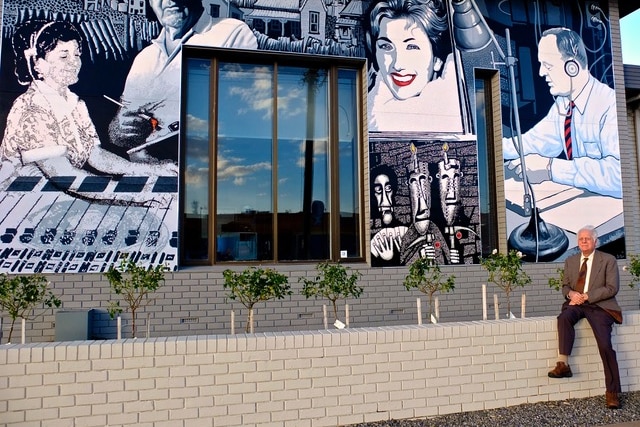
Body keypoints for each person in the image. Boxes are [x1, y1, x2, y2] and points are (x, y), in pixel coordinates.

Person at [0, 20, 176, 179]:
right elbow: (62, 175)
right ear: (38, 64)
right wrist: (121, 192)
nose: (74, 62)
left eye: (76, 54)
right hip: (19, 201)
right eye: (64, 56)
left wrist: (151, 170)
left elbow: (96, 156)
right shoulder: (31, 109)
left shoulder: (76, 104)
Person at [108, 0, 258, 161]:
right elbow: (122, 126)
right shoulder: (145, 58)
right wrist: (120, 129)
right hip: (148, 170)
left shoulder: (232, 34)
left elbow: (238, 112)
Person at [504, 27, 621, 199]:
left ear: (572, 67)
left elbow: (618, 174)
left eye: (548, 66)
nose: (541, 73)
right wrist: (487, 147)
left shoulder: (610, 105)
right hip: (584, 204)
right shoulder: (563, 104)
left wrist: (550, 168)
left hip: (613, 213)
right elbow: (534, 142)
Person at [547, 225, 622, 409]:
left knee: (605, 345)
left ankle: (612, 392)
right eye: (581, 238)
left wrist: (587, 296)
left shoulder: (608, 260)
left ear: (595, 241)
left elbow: (612, 288)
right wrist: (571, 295)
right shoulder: (571, 261)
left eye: (587, 238)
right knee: (563, 318)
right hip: (577, 304)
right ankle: (563, 364)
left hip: (599, 306)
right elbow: (565, 286)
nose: (584, 241)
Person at [364, 0, 463, 133]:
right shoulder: (369, 114)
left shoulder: (456, 116)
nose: (397, 65)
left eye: (412, 47)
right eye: (386, 46)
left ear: (437, 59)